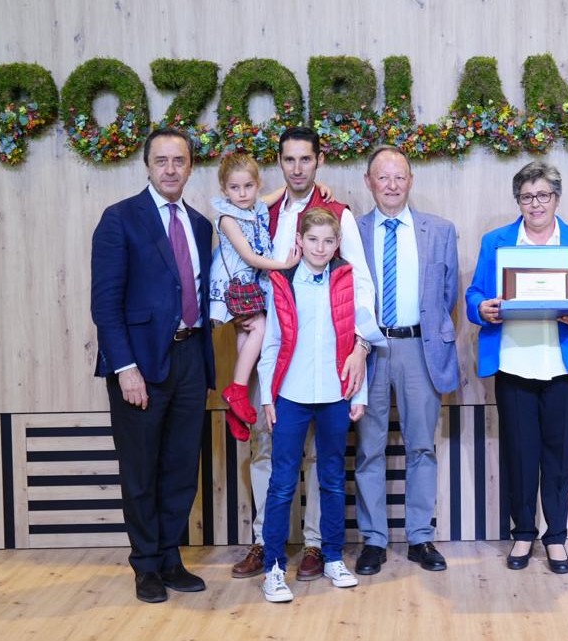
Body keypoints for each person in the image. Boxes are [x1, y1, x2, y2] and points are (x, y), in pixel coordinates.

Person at [232, 126, 378, 582]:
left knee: (323, 461)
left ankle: (316, 545)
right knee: (267, 450)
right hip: (271, 346)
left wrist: (361, 346)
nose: (298, 168)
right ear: (280, 162)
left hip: (327, 358)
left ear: (319, 161)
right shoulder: (265, 209)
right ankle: (265, 542)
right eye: (289, 160)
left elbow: (359, 286)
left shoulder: (338, 214)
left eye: (305, 160)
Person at [465, 161, 568, 574]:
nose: (535, 204)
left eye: (543, 195)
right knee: (519, 453)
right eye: (527, 197)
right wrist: (481, 307)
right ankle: (523, 533)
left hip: (563, 364)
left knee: (557, 455)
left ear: (556, 199)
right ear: (518, 201)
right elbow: (475, 292)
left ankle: (557, 538)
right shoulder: (497, 242)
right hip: (513, 362)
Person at [90, 128, 215, 603]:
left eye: (178, 161)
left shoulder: (200, 225)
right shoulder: (120, 219)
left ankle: (169, 557)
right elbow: (105, 303)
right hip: (139, 364)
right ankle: (144, 565)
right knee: (141, 470)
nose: (170, 169)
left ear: (189, 167)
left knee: (182, 468)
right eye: (161, 160)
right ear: (147, 165)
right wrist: (124, 367)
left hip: (190, 357)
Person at [353, 145, 459, 575]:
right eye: (383, 177)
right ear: (369, 182)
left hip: (420, 348)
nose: (392, 185)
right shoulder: (352, 231)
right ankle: (374, 541)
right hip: (369, 349)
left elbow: (447, 294)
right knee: (369, 449)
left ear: (411, 181)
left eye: (400, 177)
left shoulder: (441, 230)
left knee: (421, 447)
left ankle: (420, 538)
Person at [256, 208, 367, 603]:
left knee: (333, 479)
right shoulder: (281, 283)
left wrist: (360, 393)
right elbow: (270, 344)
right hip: (291, 396)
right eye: (312, 240)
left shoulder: (345, 280)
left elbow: (356, 340)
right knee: (283, 482)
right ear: (299, 242)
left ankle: (333, 556)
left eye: (328, 241)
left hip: (335, 396)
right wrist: (268, 397)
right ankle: (272, 567)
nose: (320, 248)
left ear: (337, 245)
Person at [208, 153, 300, 440]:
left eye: (248, 186)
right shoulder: (227, 218)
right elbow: (249, 256)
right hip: (235, 286)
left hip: (250, 286)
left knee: (249, 336)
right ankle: (236, 388)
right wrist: (284, 265)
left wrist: (322, 187)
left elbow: (283, 191)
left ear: (257, 184)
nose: (242, 193)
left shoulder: (256, 206)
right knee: (258, 326)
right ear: (224, 189)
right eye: (235, 188)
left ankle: (238, 404)